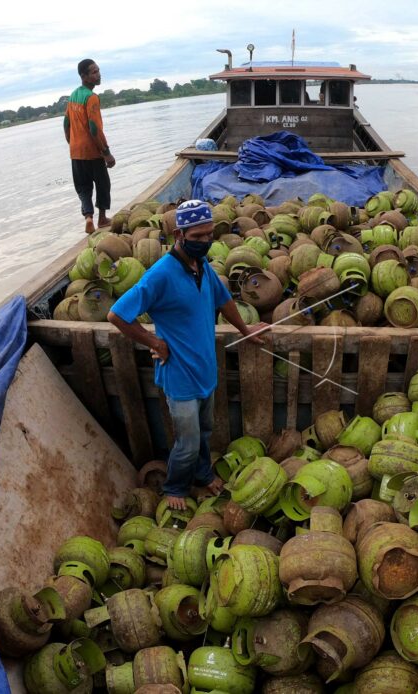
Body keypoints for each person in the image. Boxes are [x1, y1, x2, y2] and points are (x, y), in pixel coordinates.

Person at [108, 200, 268, 510]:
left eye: (209, 235)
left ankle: (203, 473)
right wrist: (153, 342)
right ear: (178, 233)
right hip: (179, 375)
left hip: (205, 370)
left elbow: (223, 300)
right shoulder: (160, 275)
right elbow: (117, 315)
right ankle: (175, 487)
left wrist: (245, 330)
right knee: (188, 440)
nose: (205, 242)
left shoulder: (203, 266)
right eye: (197, 237)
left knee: (204, 431)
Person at [65, 59, 115, 234]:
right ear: (84, 76)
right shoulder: (91, 97)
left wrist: (72, 144)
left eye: (98, 71)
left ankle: (88, 218)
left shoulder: (72, 96)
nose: (98, 74)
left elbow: (66, 123)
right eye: (93, 72)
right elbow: (94, 128)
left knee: (83, 188)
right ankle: (101, 219)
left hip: (76, 152)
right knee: (103, 184)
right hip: (92, 151)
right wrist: (106, 152)